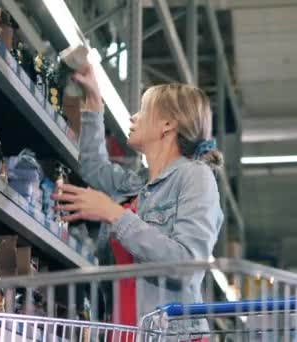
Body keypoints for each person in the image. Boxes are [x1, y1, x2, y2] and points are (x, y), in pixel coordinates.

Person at [51, 63, 224, 337]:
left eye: (143, 111)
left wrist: (115, 215)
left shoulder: (195, 177)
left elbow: (186, 266)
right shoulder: (136, 184)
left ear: (168, 124)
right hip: (125, 333)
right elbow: (93, 167)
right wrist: (94, 102)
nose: (133, 117)